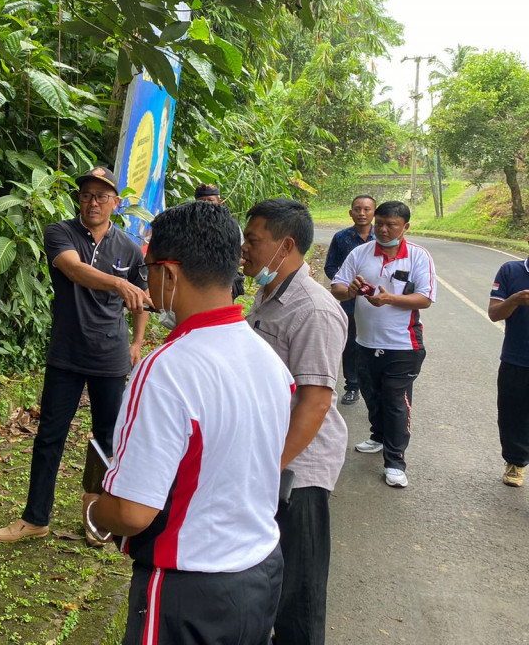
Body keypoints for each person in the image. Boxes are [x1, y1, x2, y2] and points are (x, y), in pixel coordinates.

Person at [83, 200, 293, 645]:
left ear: (171, 274)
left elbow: (131, 511)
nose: (146, 279)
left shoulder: (164, 370)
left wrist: (94, 510)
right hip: (261, 572)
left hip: (190, 590)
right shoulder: (269, 360)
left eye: (150, 267)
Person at [0, 166, 150, 544]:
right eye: (86, 195)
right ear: (79, 200)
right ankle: (35, 518)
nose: (92, 202)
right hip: (66, 352)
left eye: (101, 196)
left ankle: (97, 516)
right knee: (49, 436)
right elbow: (74, 270)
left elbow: (141, 300)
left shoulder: (128, 247)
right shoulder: (60, 233)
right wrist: (117, 282)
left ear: (115, 202)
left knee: (106, 439)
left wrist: (138, 342)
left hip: (111, 355)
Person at [242, 199, 348, 645]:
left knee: (299, 597)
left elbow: (315, 403)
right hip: (271, 462)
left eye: (252, 240)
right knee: (268, 579)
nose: (243, 249)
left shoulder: (313, 310)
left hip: (297, 473)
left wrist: (269, 470)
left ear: (285, 246)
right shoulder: (268, 293)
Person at [331, 200, 436, 488]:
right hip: (364, 342)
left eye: (391, 225)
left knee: (395, 402)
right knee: (372, 395)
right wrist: (349, 290)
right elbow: (337, 288)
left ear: (406, 227)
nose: (384, 229)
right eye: (380, 224)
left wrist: (389, 298)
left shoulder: (417, 257)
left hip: (403, 345)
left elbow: (425, 299)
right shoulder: (359, 253)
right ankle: (378, 437)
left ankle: (395, 462)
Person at [324, 195, 376, 406]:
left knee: (376, 345)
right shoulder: (341, 238)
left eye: (366, 209)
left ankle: (374, 388)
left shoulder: (381, 239)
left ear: (374, 212)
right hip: (349, 303)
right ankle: (352, 386)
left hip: (376, 304)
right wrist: (345, 282)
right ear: (350, 212)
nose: (362, 213)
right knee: (350, 345)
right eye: (357, 209)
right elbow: (330, 266)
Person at [487, 254, 529, 487]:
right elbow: (494, 314)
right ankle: (516, 461)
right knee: (513, 415)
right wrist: (513, 301)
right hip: (517, 358)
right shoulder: (511, 271)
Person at [195, 183, 246, 299]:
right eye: (202, 200)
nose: (206, 204)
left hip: (223, 283)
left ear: (219, 202)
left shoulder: (231, 226)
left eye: (210, 200)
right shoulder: (189, 225)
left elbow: (242, 255)